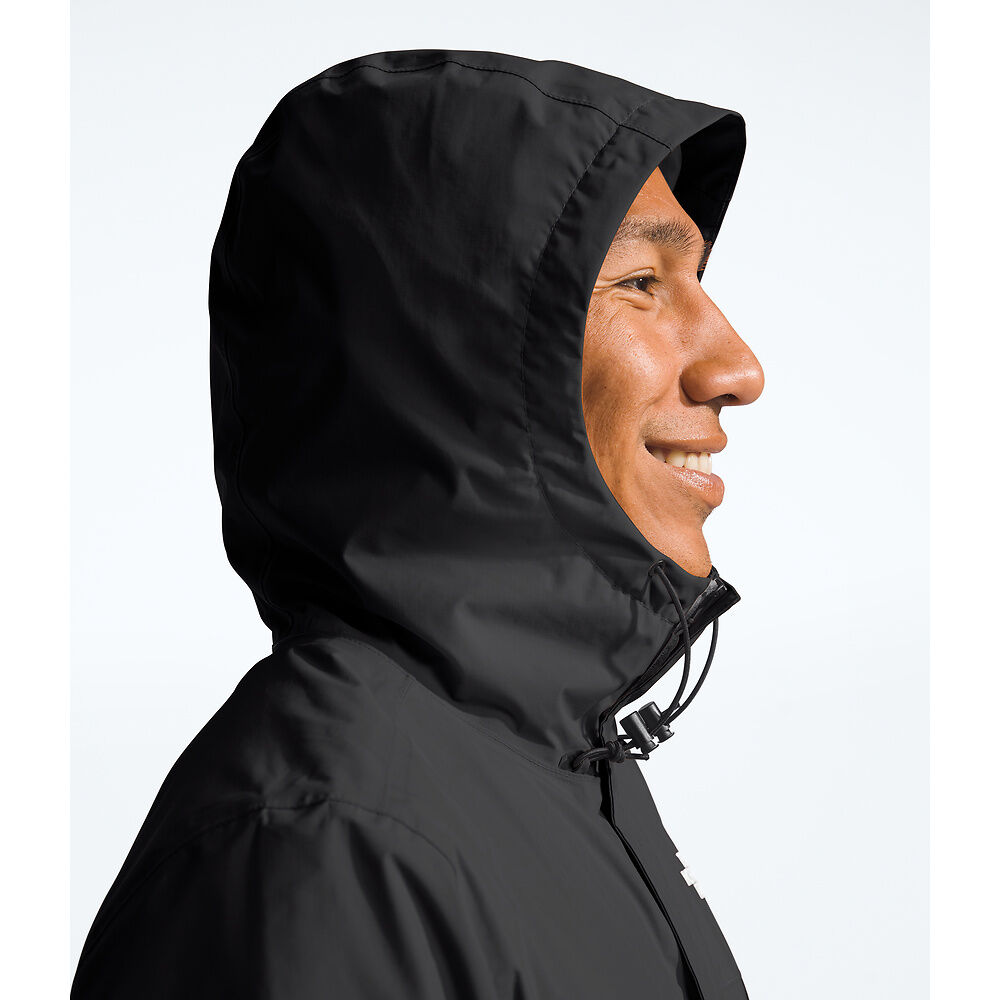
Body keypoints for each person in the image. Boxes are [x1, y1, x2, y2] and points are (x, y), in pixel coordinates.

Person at [72, 48, 764, 999]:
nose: (738, 367)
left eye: (697, 279)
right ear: (453, 363)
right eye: (642, 282)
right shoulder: (327, 846)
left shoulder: (548, 769)